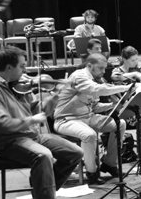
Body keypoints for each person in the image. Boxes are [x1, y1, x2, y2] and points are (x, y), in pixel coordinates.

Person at [0, 46, 83, 199]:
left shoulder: (16, 85)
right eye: (22, 66)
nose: (25, 70)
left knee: (75, 152)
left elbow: (36, 110)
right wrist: (31, 120)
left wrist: (55, 96)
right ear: (9, 68)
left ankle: (41, 190)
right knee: (43, 156)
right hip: (8, 141)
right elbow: (0, 124)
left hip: (30, 136)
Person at [53, 54, 132, 185]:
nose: (103, 72)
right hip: (66, 119)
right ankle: (92, 172)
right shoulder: (79, 76)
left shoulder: (94, 79)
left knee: (120, 124)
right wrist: (125, 88)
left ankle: (110, 163)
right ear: (90, 66)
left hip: (88, 117)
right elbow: (96, 89)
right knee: (89, 134)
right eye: (100, 68)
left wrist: (113, 105)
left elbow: (94, 106)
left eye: (105, 68)